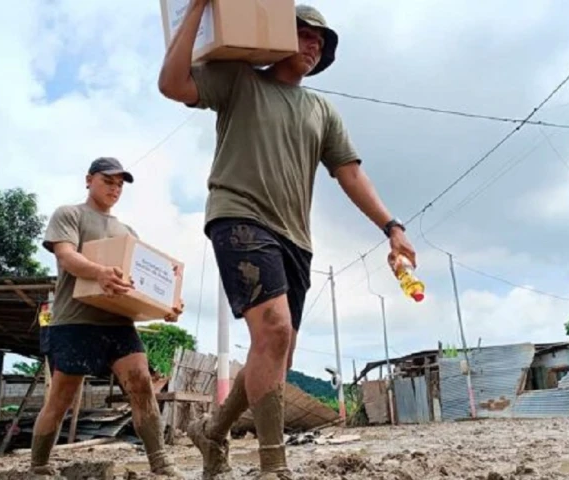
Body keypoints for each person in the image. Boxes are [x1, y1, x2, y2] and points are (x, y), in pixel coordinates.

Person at [158, 3, 418, 479]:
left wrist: (391, 227)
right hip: (238, 215)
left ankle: (212, 430)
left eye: (322, 42)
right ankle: (274, 466)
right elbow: (173, 84)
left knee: (278, 350)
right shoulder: (239, 79)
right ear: (279, 35)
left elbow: (350, 174)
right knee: (275, 331)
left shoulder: (321, 110)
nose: (314, 46)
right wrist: (197, 8)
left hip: (295, 239)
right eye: (306, 34)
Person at [29, 157, 185, 478]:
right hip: (74, 322)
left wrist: (167, 304)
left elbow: (141, 280)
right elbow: (66, 255)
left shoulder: (126, 232)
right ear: (89, 180)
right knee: (61, 399)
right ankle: (39, 466)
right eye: (107, 181)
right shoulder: (69, 214)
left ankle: (160, 462)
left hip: (117, 323)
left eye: (119, 185)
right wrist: (99, 272)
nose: (114, 189)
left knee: (141, 384)